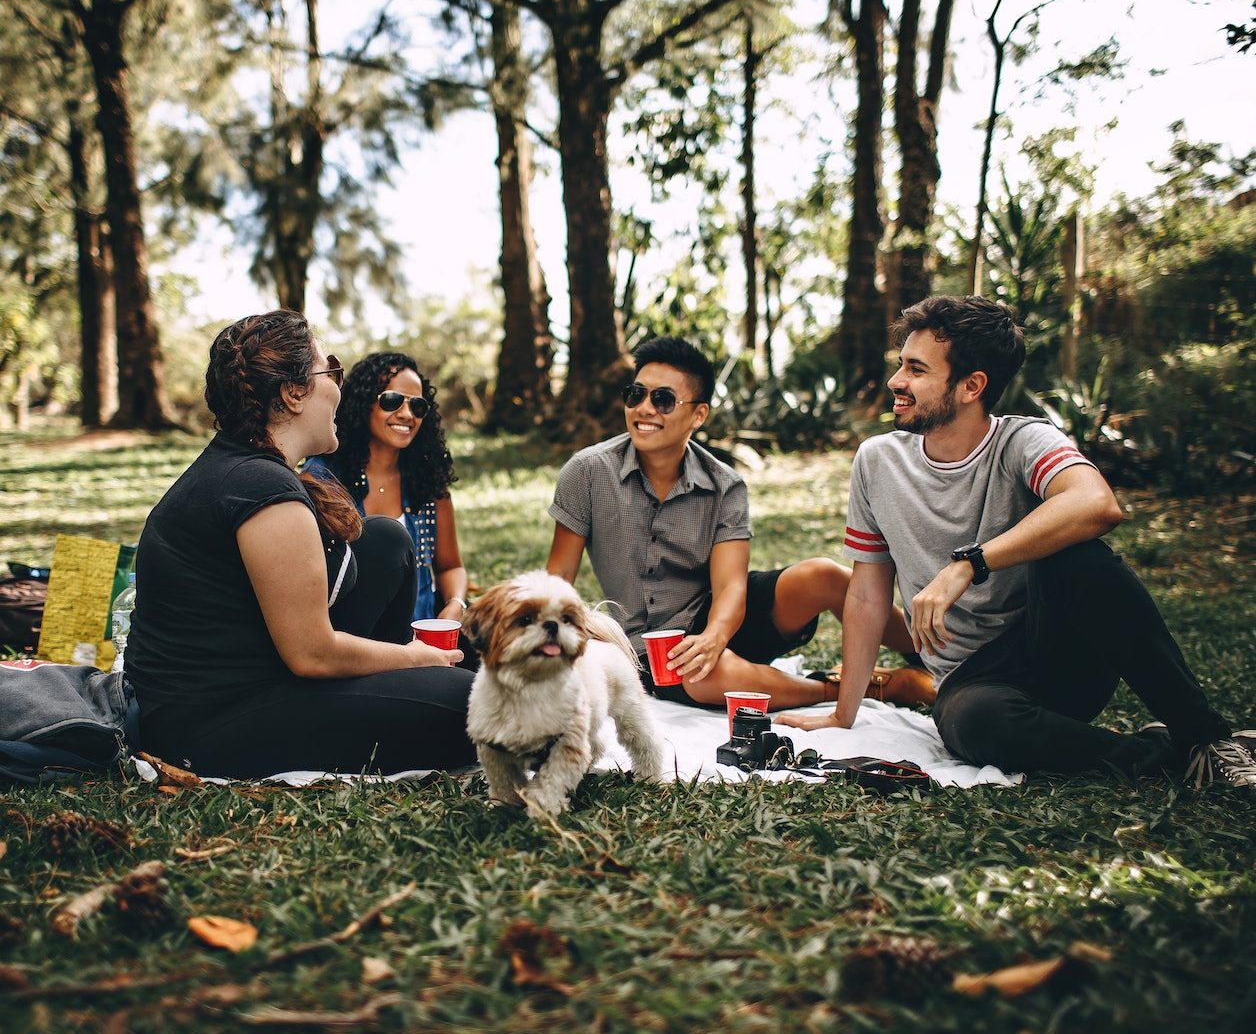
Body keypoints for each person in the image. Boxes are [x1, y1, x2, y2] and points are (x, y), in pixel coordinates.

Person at [779, 295, 1256, 789]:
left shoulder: (1024, 441)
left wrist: (968, 564)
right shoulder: (877, 461)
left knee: (1080, 558)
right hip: (974, 684)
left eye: (916, 370)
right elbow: (867, 592)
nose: (896, 381)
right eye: (901, 365)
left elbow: (1097, 504)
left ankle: (1209, 739)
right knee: (972, 721)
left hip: (1056, 651)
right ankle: (1164, 756)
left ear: (971, 386)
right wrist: (843, 714)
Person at [125, 312, 477, 779]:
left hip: (261, 673)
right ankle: (413, 686)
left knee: (386, 539)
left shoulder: (247, 466)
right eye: (330, 370)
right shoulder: (260, 489)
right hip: (208, 722)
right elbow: (313, 654)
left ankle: (405, 687)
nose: (339, 387)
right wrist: (416, 656)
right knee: (474, 705)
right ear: (293, 394)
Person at [546, 335, 928, 710]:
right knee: (704, 675)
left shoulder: (724, 484)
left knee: (823, 576)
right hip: (651, 648)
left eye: (662, 399)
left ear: (698, 414)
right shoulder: (588, 472)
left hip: (720, 618)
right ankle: (860, 688)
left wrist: (714, 636)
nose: (644, 409)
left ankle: (935, 654)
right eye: (635, 395)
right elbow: (558, 578)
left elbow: (731, 586)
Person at [304, 352, 468, 625]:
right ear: (362, 403)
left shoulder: (427, 480)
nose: (406, 414)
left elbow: (451, 566)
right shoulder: (323, 479)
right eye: (391, 401)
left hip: (426, 639)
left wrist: (455, 604)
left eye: (417, 406)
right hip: (356, 642)